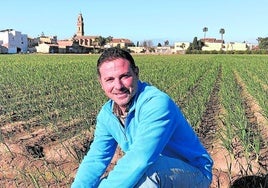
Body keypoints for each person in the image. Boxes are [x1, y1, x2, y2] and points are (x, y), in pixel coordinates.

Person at [71, 47, 213, 188]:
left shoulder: (156, 103)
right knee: (109, 181)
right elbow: (96, 158)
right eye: (109, 79)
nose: (118, 86)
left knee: (146, 173)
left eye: (124, 76)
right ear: (101, 83)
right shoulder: (107, 114)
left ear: (136, 73)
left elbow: (140, 159)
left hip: (193, 173)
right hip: (154, 168)